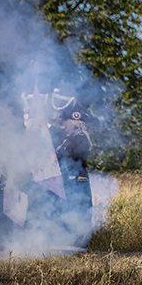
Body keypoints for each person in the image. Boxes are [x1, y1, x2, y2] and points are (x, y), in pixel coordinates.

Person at [55, 102, 96, 248]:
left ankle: (80, 243)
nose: (64, 125)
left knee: (79, 210)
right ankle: (71, 241)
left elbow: (73, 156)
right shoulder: (69, 138)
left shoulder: (80, 137)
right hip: (70, 178)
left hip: (77, 178)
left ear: (74, 123)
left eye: (66, 122)